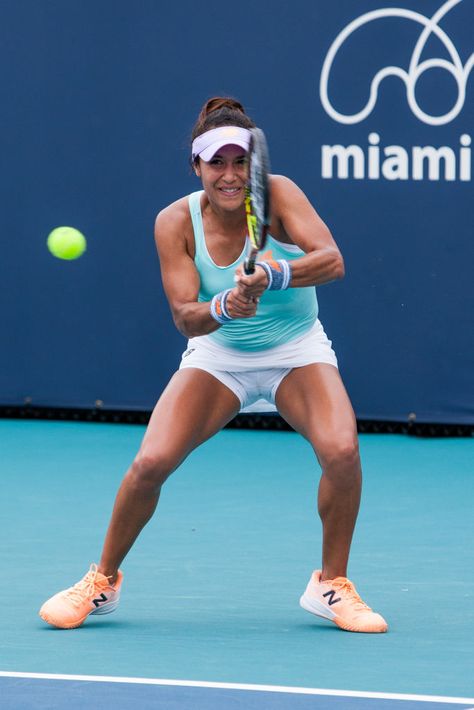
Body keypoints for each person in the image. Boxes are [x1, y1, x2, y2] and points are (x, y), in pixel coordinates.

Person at [40, 97, 387, 633]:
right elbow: (185, 317)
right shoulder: (173, 222)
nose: (230, 175)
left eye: (240, 162)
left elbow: (332, 260)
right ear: (196, 167)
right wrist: (223, 305)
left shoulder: (280, 196)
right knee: (151, 463)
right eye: (216, 163)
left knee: (342, 450)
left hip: (295, 348)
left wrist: (275, 274)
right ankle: (102, 582)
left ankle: (331, 585)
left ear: (255, 165)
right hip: (220, 356)